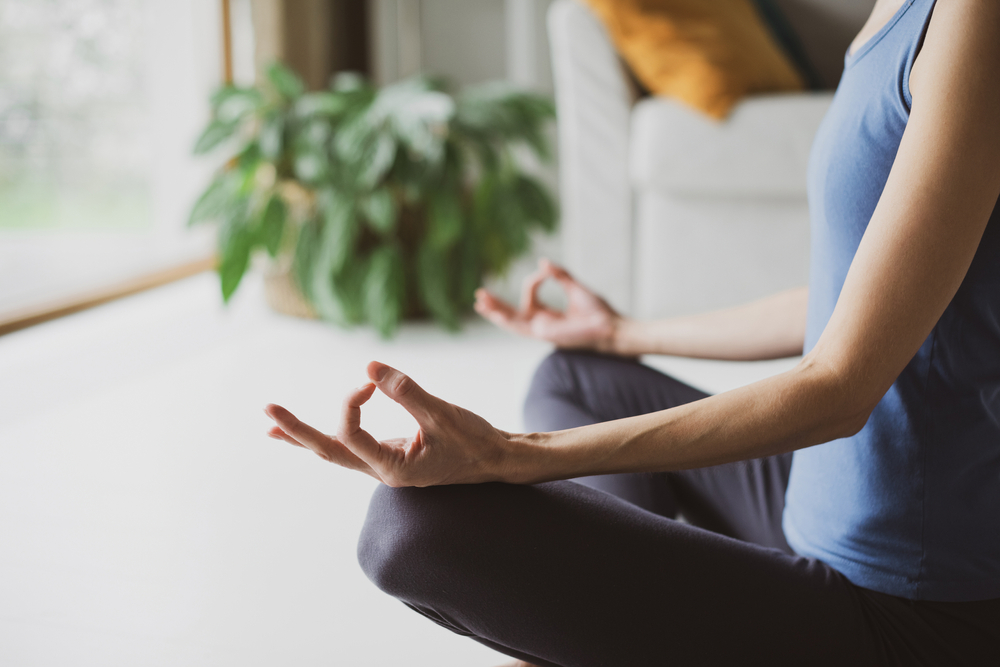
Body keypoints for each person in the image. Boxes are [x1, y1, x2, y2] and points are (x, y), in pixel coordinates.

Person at [263, 0, 1000, 664]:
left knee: (407, 529)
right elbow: (852, 297)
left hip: (907, 609)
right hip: (804, 506)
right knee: (575, 374)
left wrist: (514, 455)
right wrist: (622, 331)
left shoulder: (977, 20)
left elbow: (842, 387)